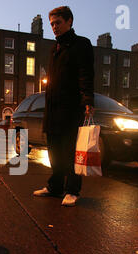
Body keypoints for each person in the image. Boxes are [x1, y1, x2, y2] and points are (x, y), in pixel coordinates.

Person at [33, 6, 94, 207]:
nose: (54, 27)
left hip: (71, 108)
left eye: (58, 22)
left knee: (70, 151)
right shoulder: (54, 48)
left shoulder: (81, 44)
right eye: (51, 24)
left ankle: (72, 190)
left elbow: (85, 73)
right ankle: (55, 187)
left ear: (69, 21)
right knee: (54, 150)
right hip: (52, 107)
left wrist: (87, 100)